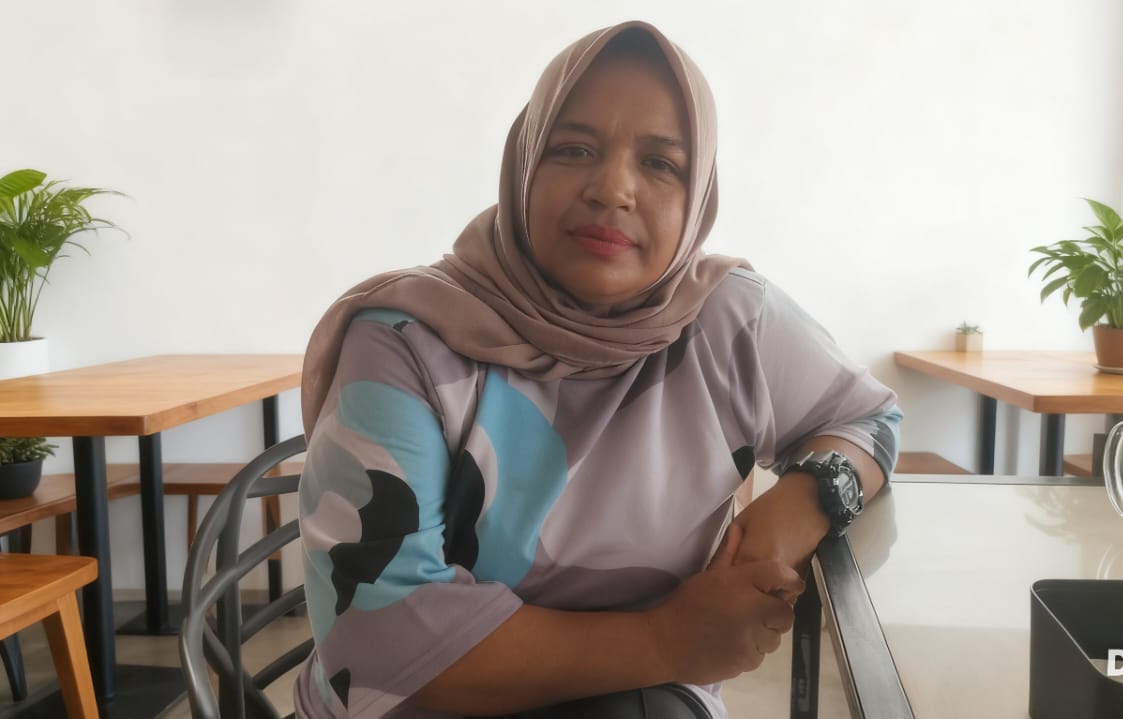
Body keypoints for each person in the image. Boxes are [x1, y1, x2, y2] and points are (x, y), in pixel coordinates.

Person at [294, 20, 902, 719]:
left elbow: (868, 416)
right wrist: (666, 638)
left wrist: (798, 506)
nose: (613, 189)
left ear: (698, 193)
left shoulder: (729, 321)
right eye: (574, 149)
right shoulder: (407, 340)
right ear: (524, 165)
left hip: (649, 697)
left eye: (661, 163)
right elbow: (377, 647)